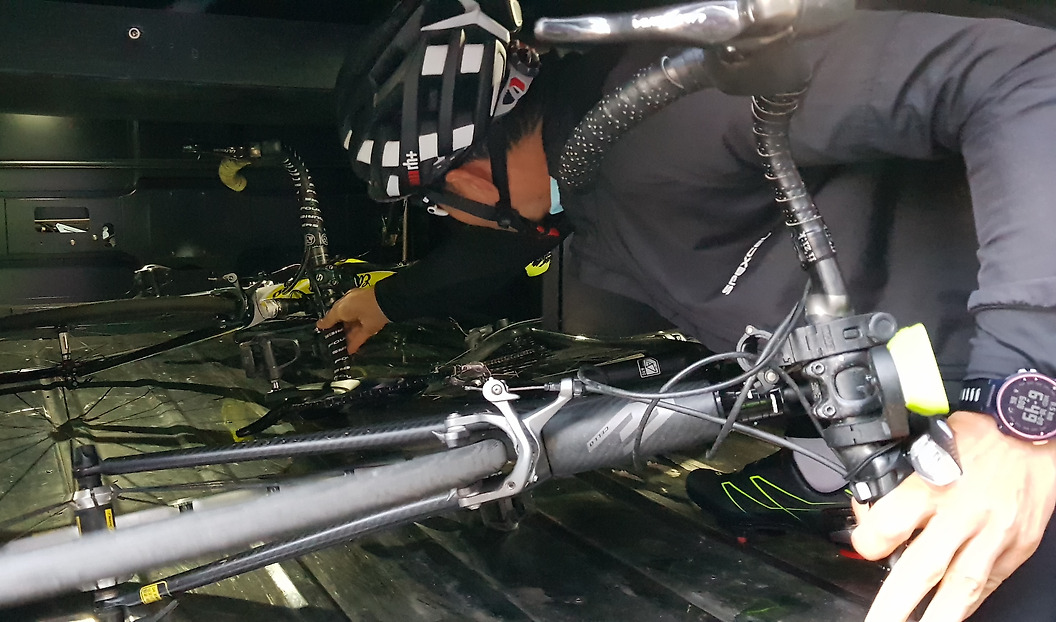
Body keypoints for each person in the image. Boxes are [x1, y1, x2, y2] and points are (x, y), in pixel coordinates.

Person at [322, 1, 1056, 620]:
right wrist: (387, 300)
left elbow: (1024, 76)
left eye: (436, 204)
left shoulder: (672, 103)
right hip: (905, 412)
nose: (458, 220)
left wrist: (1017, 409)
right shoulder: (585, 169)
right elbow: (510, 241)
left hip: (1010, 418)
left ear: (470, 179)